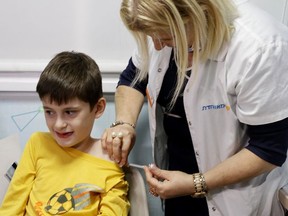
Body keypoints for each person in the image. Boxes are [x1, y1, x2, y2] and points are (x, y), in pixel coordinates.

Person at [101, 0, 288, 215]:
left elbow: (268, 149)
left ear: (198, 15)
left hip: (236, 195)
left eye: (166, 38)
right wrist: (124, 123)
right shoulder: (165, 27)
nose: (158, 46)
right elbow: (134, 76)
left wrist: (195, 183)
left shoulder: (261, 47)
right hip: (177, 181)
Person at [0, 51, 130, 215]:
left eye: (69, 112)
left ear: (98, 108)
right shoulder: (37, 144)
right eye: (49, 112)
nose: (58, 124)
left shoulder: (110, 160)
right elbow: (12, 206)